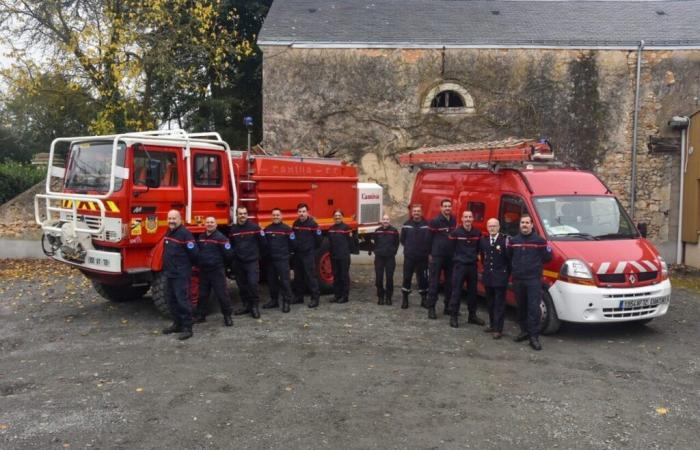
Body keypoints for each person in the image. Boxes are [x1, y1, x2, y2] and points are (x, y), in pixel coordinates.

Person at [506, 214, 553, 351]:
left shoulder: (540, 241)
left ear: (532, 225)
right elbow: (509, 256)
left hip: (533, 280)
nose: (525, 225)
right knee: (521, 307)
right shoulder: (514, 241)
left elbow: (547, 257)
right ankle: (524, 331)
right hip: (518, 279)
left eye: (527, 223)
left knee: (533, 308)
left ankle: (534, 337)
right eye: (522, 223)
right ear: (519, 225)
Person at [161, 209, 198, 340]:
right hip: (170, 273)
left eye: (174, 218)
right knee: (171, 301)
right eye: (169, 218)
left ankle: (187, 328)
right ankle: (177, 324)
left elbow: (194, 254)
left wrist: (183, 267)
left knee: (183, 301)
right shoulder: (169, 231)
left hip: (180, 273)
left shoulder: (185, 234)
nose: (171, 221)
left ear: (180, 219)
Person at [447, 210, 485, 328]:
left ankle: (472, 316)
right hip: (460, 266)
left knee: (472, 293)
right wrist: (457, 259)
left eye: (470, 217)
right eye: (466, 217)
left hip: (472, 266)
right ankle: (453, 316)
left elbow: (480, 249)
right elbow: (450, 249)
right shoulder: (455, 233)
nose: (468, 219)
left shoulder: (477, 233)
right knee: (457, 292)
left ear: (473, 219)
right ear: (462, 219)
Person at [193, 216, 233, 326]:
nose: (209, 224)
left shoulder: (221, 238)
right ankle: (201, 316)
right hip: (204, 271)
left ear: (216, 225)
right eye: (208, 222)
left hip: (216, 271)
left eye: (212, 222)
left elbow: (229, 254)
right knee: (203, 295)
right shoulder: (201, 237)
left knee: (222, 294)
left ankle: (227, 316)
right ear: (205, 224)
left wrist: (220, 265)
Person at [229, 206, 264, 319]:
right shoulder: (233, 230)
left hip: (251, 261)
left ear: (247, 215)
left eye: (244, 213)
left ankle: (254, 307)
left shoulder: (254, 227)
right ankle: (246, 305)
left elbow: (263, 243)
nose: (242, 215)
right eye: (240, 214)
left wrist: (257, 255)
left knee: (253, 284)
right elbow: (231, 244)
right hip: (239, 262)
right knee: (242, 285)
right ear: (237, 215)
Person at [479, 218, 510, 339]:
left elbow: (509, 259)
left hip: (500, 277)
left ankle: (498, 329)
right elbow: (483, 257)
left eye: (494, 226)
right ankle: (492, 324)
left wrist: (506, 274)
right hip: (488, 276)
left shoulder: (504, 241)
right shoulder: (484, 241)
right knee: (490, 303)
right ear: (487, 227)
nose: (492, 228)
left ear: (498, 227)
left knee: (499, 304)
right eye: (490, 226)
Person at [426, 199, 456, 319]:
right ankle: (431, 308)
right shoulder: (435, 221)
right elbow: (428, 239)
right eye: (445, 206)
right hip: (437, 256)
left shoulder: (453, 220)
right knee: (434, 282)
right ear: (441, 208)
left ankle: (447, 307)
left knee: (449, 283)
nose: (447, 208)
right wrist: (429, 254)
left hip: (450, 256)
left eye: (449, 206)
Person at [263, 208, 294, 313]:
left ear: (281, 216)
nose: (275, 217)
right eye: (274, 215)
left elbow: (292, 244)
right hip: (271, 260)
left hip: (282, 259)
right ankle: (274, 300)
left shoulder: (287, 229)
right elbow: (264, 244)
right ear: (271, 217)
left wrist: (287, 254)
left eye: (277, 215)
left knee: (285, 281)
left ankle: (286, 302)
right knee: (272, 281)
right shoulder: (267, 229)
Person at [400, 204, 431, 309]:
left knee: (423, 279)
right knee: (407, 277)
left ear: (421, 212)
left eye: (418, 211)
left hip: (423, 257)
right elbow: (403, 240)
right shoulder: (406, 224)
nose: (416, 213)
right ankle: (405, 299)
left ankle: (424, 299)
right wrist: (410, 248)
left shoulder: (427, 224)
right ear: (412, 213)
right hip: (410, 257)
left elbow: (430, 240)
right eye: (414, 211)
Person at [291, 203, 322, 308]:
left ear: (307, 212)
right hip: (298, 254)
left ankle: (315, 298)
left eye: (303, 211)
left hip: (308, 254)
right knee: (298, 277)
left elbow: (319, 240)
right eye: (300, 211)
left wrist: (310, 249)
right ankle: (299, 297)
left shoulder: (313, 224)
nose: (302, 214)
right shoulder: (295, 223)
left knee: (311, 276)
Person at [327, 209, 358, 303]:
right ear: (333, 217)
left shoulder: (346, 228)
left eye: (339, 215)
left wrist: (347, 253)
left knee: (344, 276)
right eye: (335, 216)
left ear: (342, 217)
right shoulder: (331, 229)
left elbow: (351, 242)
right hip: (334, 256)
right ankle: (337, 295)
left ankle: (345, 296)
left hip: (344, 256)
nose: (337, 217)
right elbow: (330, 243)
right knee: (336, 276)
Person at [371, 214, 400, 305]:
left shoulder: (394, 231)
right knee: (379, 278)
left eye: (387, 219)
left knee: (389, 278)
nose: (385, 221)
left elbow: (397, 243)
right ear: (381, 221)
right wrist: (377, 251)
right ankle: (380, 296)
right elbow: (374, 242)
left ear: (389, 220)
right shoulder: (377, 231)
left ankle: (388, 297)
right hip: (379, 258)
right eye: (384, 219)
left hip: (390, 258)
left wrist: (392, 252)